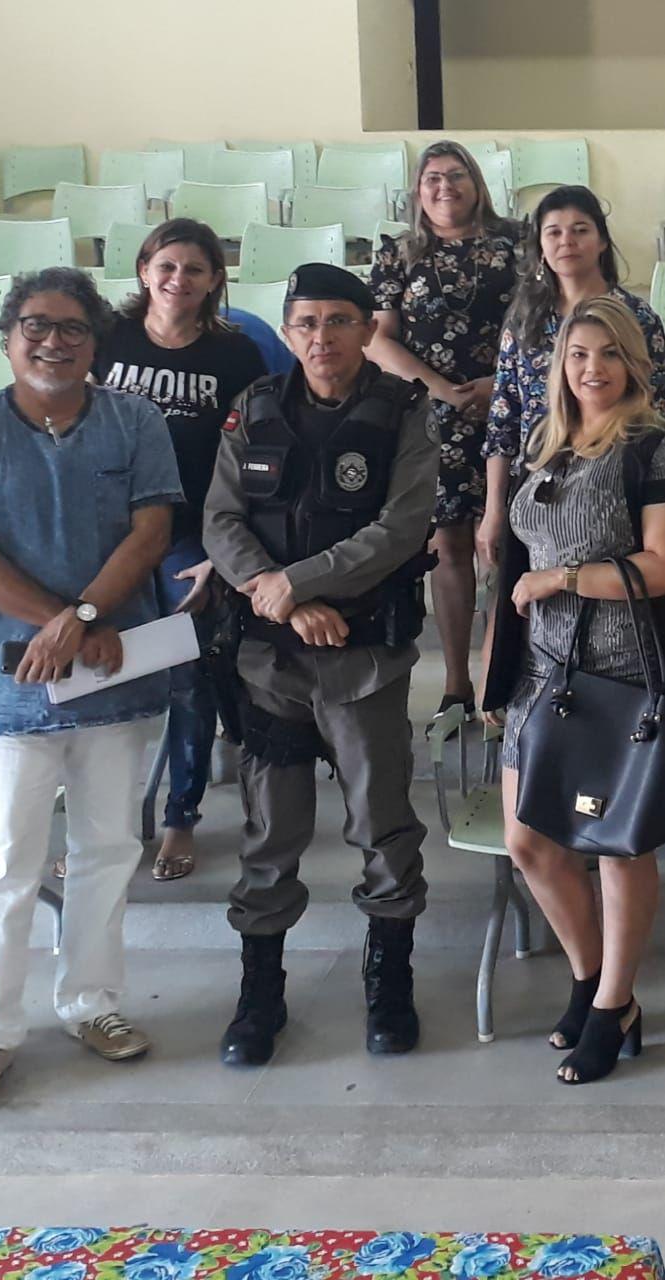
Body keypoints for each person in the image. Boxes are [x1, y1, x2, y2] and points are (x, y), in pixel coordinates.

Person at [0, 267, 182, 1109]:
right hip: (15, 682)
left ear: (95, 345)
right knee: (4, 861)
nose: (53, 341)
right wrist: (59, 623)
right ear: (8, 338)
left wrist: (85, 616)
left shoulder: (134, 421)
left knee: (107, 850)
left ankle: (90, 1003)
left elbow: (151, 531)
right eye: (35, 325)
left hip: (109, 668)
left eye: (72, 328)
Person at [203, 263, 439, 1067]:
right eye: (305, 323)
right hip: (269, 660)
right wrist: (281, 597)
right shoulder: (254, 407)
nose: (321, 337)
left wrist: (297, 582)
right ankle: (259, 993)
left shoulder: (403, 410)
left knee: (381, 825)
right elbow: (221, 520)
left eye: (338, 320)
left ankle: (388, 983)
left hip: (361, 657)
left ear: (367, 328)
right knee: (270, 831)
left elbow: (401, 527)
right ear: (287, 331)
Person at [482, 296, 665, 1085]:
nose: (593, 368)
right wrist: (493, 665)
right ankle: (592, 982)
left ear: (634, 363)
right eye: (578, 354)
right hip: (538, 672)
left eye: (609, 353)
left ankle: (612, 1003)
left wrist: (559, 578)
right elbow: (513, 567)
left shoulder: (649, 446)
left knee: (616, 848)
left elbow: (659, 566)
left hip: (616, 674)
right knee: (528, 843)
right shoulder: (545, 442)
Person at [92, 218, 266, 880]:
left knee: (186, 673)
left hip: (186, 532)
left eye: (194, 269)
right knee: (93, 672)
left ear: (215, 279)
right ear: (143, 271)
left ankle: (180, 817)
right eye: (165, 266)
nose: (177, 279)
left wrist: (224, 552)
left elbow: (254, 459)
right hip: (103, 529)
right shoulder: (106, 337)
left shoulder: (235, 355)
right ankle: (100, 824)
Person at [368, 140, 521, 727]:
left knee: (510, 544)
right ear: (417, 190)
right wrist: (440, 388)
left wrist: (497, 385)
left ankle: (500, 682)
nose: (444, 186)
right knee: (450, 546)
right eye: (432, 178)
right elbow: (378, 338)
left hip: (512, 408)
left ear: (477, 184)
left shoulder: (517, 244)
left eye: (456, 175)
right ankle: (458, 685)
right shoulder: (398, 253)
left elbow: (546, 324)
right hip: (433, 416)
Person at [479, 185, 665, 568]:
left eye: (580, 230)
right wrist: (494, 509)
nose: (567, 241)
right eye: (554, 232)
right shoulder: (524, 322)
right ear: (540, 247)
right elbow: (503, 421)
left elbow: (656, 407)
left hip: (613, 494)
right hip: (537, 490)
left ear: (602, 241)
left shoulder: (637, 317)